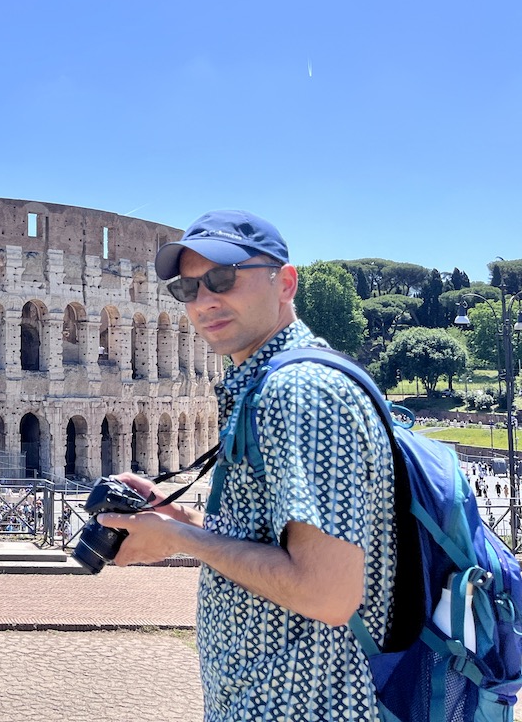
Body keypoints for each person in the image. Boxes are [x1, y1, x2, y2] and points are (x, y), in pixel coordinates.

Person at [98, 210, 395, 722]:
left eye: (222, 278)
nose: (204, 301)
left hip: (311, 708)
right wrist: (181, 521)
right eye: (188, 289)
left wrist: (179, 541)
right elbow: (279, 545)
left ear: (285, 282)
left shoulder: (299, 390)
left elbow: (327, 593)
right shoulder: (264, 387)